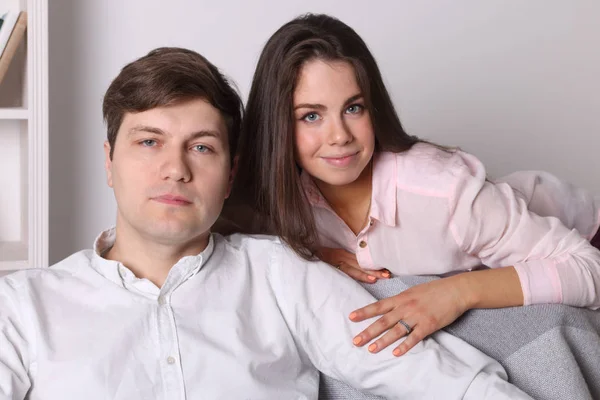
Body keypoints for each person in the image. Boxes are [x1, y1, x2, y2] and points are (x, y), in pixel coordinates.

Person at [0, 47, 532, 399]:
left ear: (230, 177)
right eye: (149, 142)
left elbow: (445, 383)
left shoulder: (281, 275)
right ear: (109, 161)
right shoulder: (24, 308)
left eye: (201, 147)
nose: (176, 169)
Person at [230, 13, 600, 359]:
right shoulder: (277, 195)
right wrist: (315, 255)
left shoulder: (440, 189)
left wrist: (457, 292)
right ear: (277, 125)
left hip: (584, 240)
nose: (339, 136)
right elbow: (222, 234)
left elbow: (589, 269)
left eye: (353, 108)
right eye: (311, 116)